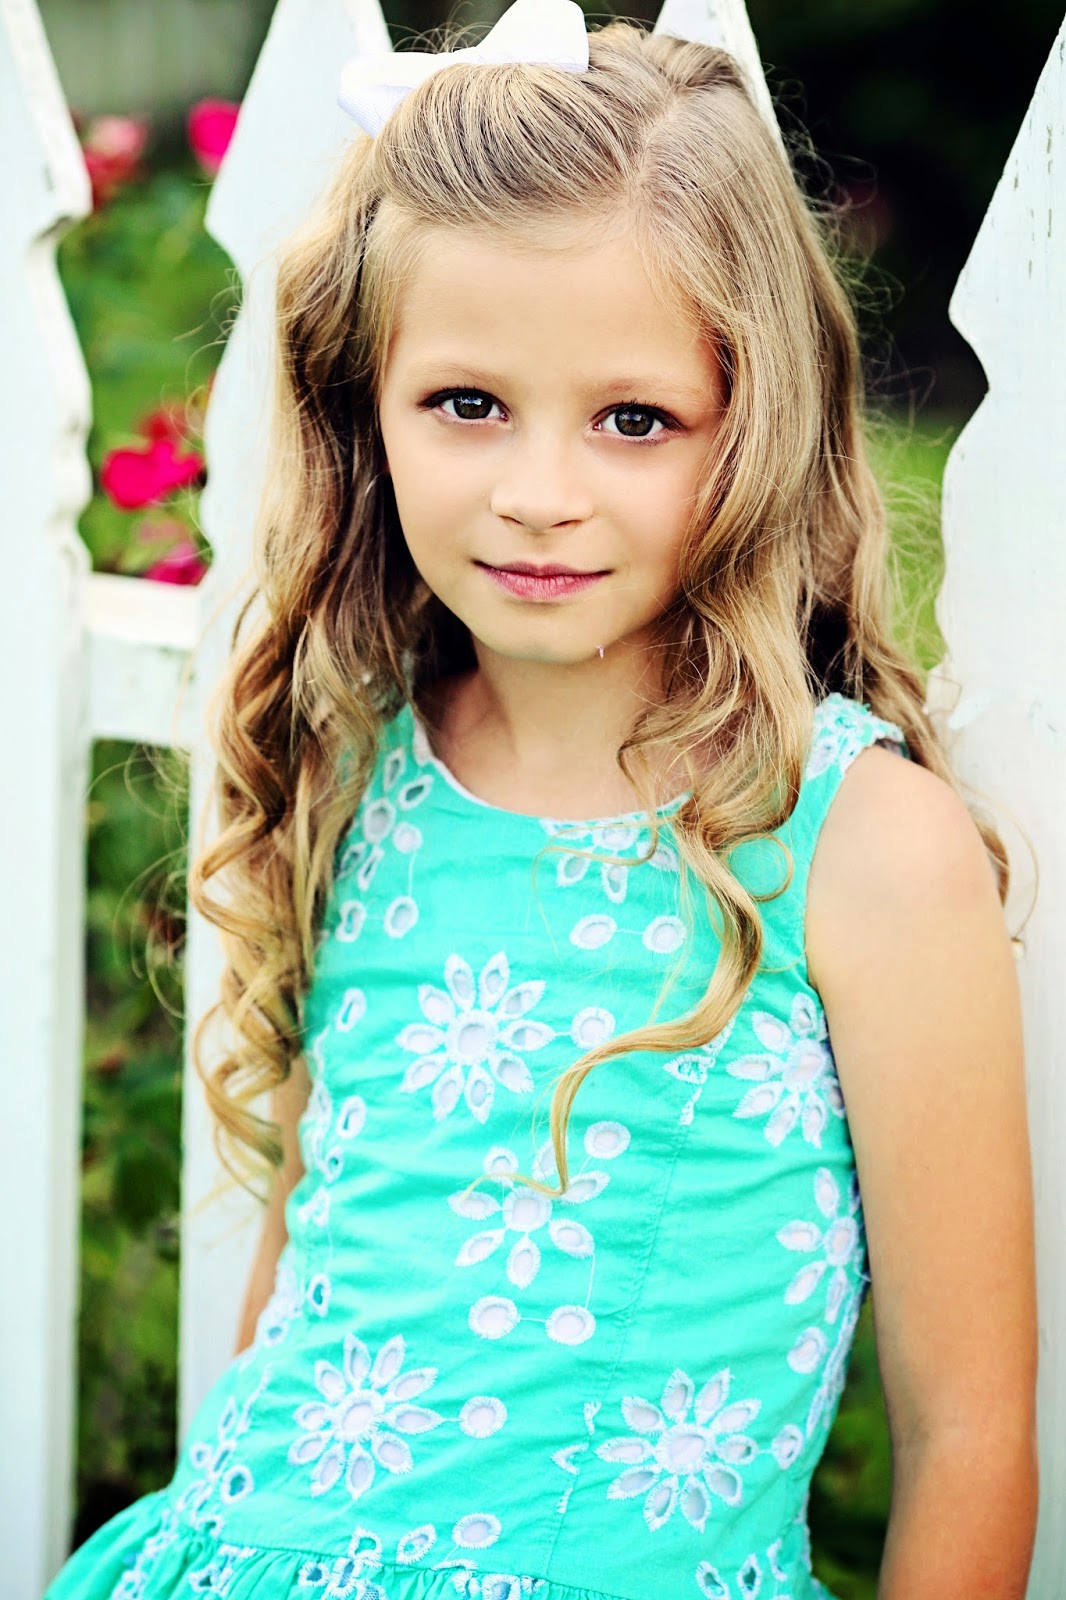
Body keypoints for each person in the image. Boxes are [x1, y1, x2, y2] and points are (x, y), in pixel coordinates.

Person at [47, 3, 1038, 1597]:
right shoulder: (365, 766)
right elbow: (312, 1275)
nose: (537, 495)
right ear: (362, 405)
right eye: (467, 404)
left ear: (754, 426)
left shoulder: (855, 846)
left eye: (633, 421)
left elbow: (967, 1431)